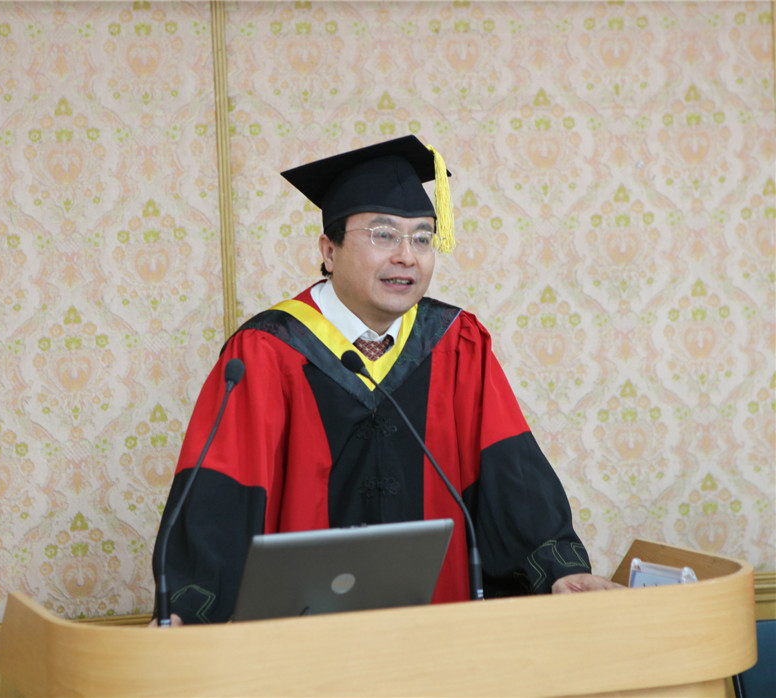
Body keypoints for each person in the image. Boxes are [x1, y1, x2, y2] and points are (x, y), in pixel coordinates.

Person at [151, 135, 620, 626]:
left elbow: (509, 472)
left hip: (436, 631)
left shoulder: (457, 344)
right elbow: (222, 495)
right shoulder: (267, 352)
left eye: (422, 238)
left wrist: (557, 569)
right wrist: (188, 610)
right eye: (383, 235)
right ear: (329, 251)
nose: (407, 256)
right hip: (304, 639)